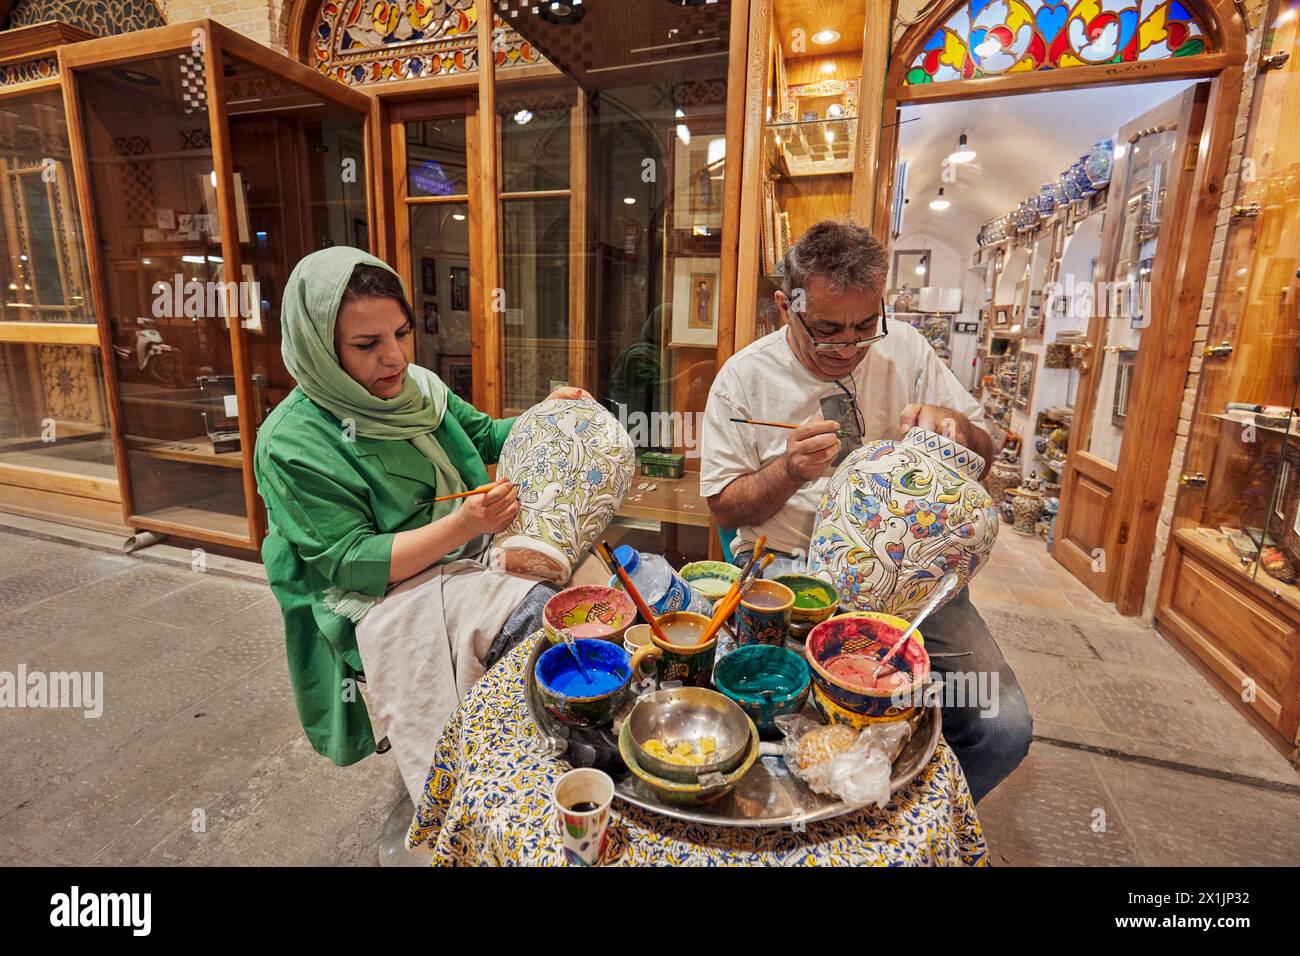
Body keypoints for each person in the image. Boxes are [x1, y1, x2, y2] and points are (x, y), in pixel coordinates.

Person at [699, 219, 1031, 803]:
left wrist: (956, 428)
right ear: (786, 304)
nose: (848, 347)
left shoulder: (906, 348)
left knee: (1002, 730)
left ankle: (912, 821)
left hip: (915, 576)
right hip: (792, 567)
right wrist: (788, 471)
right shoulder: (742, 379)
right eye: (826, 330)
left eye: (864, 327)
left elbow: (988, 444)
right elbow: (724, 508)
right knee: (789, 727)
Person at [254, 246, 591, 803]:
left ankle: (536, 744)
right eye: (367, 345)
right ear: (319, 347)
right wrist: (462, 526)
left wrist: (549, 414)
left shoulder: (415, 389)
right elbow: (351, 563)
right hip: (374, 594)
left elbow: (483, 435)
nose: (394, 359)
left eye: (402, 334)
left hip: (461, 548)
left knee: (605, 581)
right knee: (538, 616)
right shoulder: (293, 443)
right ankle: (502, 789)